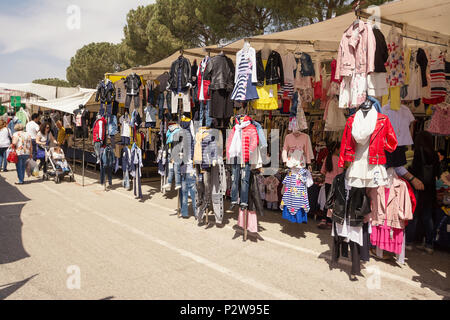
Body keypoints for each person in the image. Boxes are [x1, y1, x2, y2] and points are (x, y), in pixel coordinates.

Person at [406, 131, 441, 254]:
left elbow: (414, 169)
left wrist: (408, 171)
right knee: (427, 217)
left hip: (418, 186)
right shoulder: (435, 154)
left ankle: (409, 243)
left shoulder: (418, 153)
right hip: (430, 189)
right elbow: (438, 173)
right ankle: (429, 245)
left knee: (414, 216)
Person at [318, 141, 343, 229]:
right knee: (333, 202)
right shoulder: (339, 159)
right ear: (336, 149)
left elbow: (322, 171)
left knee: (327, 201)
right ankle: (329, 221)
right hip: (335, 183)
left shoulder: (327, 158)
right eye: (340, 148)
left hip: (327, 182)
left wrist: (328, 176)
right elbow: (340, 173)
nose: (341, 150)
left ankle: (324, 219)